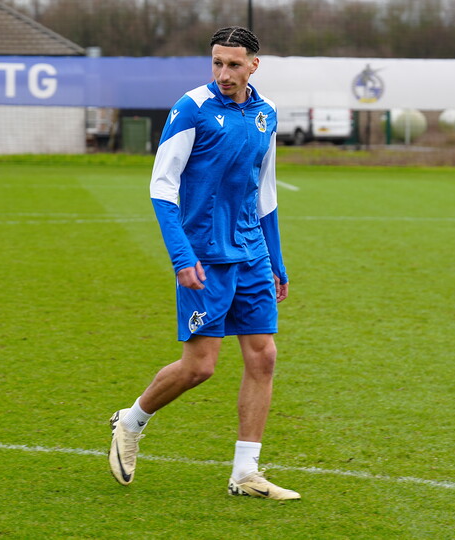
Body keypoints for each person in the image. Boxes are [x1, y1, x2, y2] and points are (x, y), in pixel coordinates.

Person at [108, 26, 299, 501]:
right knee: (200, 367)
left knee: (264, 355)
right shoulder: (192, 107)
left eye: (234, 64)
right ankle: (130, 423)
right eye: (217, 62)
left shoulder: (266, 113)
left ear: (255, 64)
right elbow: (162, 186)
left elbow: (265, 192)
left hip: (251, 250)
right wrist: (181, 256)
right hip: (205, 255)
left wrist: (276, 260)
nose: (224, 73)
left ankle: (245, 473)